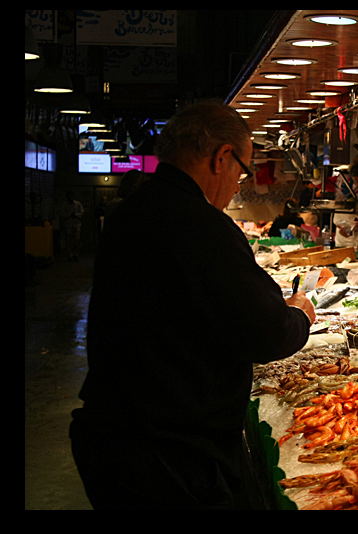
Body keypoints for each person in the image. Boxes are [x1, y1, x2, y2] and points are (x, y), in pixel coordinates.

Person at [70, 99, 315, 510]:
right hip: (167, 459)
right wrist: (298, 315)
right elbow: (266, 332)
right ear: (222, 157)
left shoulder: (131, 211)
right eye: (243, 167)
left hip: (115, 437)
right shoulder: (199, 225)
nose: (240, 181)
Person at [61, 191, 85, 261]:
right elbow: (62, 214)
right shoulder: (64, 205)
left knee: (76, 240)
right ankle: (70, 254)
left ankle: (75, 254)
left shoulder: (77, 204)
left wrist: (76, 215)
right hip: (68, 224)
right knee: (69, 240)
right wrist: (69, 215)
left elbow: (82, 212)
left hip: (76, 224)